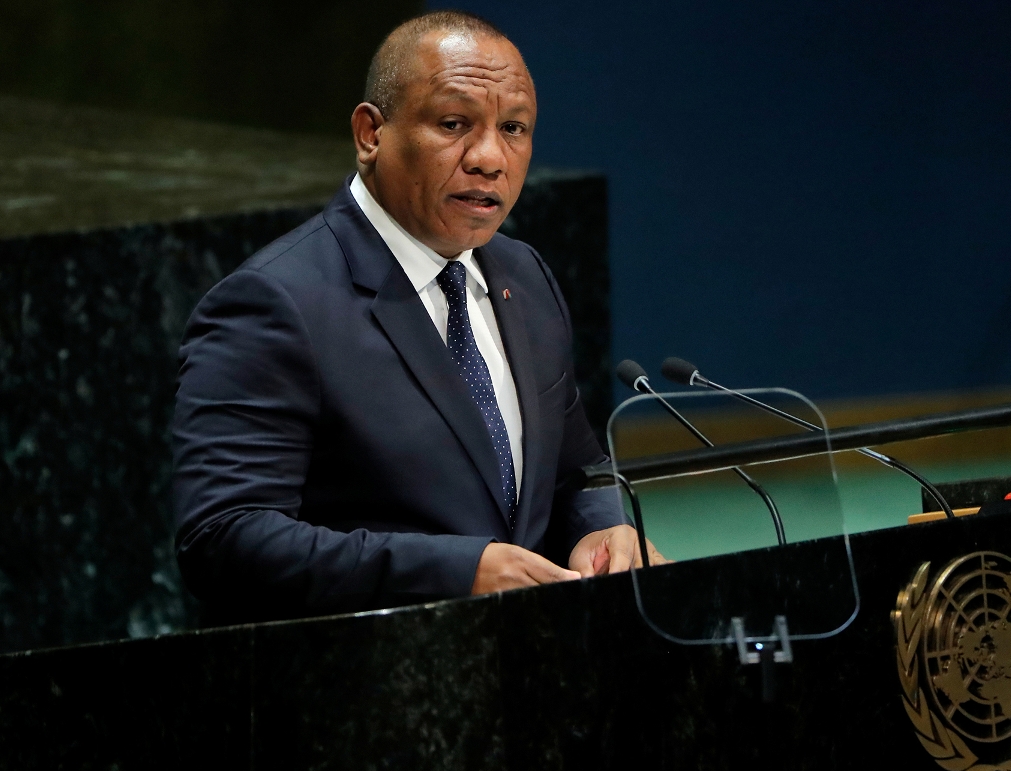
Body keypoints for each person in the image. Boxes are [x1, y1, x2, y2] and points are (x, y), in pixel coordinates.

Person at [171, 11, 665, 623]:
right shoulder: (275, 304)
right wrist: (458, 572)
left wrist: (606, 529)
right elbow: (223, 539)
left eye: (514, 128)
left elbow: (576, 469)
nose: (490, 158)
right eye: (454, 124)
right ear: (370, 133)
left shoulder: (524, 275)